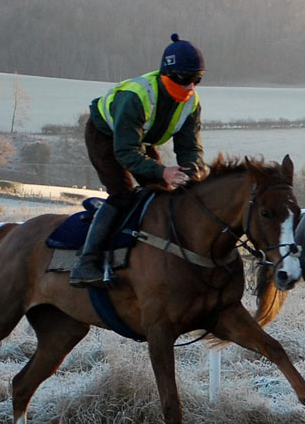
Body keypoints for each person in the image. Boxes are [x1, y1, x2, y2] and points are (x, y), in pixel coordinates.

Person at [69, 33, 207, 287]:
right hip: (105, 138)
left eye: (197, 79)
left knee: (163, 191)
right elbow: (125, 153)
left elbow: (189, 147)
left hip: (139, 141)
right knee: (123, 194)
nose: (191, 87)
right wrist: (162, 171)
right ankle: (85, 263)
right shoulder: (136, 96)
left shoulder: (191, 103)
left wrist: (193, 170)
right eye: (187, 79)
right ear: (169, 75)